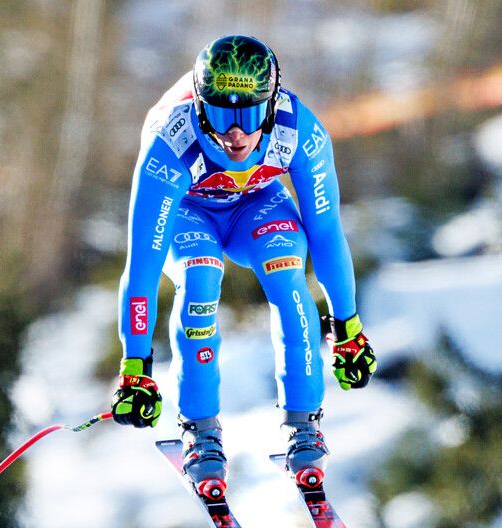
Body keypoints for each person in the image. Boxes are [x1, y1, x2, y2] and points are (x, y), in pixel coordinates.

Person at [110, 34, 377, 488]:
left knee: (288, 274)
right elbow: (143, 267)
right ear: (198, 105)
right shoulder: (168, 144)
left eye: (249, 114)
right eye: (220, 113)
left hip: (257, 206)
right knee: (199, 279)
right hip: (190, 213)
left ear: (271, 106)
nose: (235, 131)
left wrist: (348, 327)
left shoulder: (301, 132)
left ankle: (304, 424)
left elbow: (327, 233)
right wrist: (135, 367)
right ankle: (200, 430)